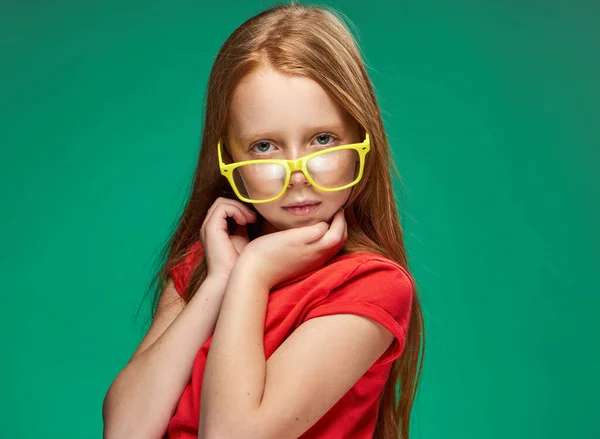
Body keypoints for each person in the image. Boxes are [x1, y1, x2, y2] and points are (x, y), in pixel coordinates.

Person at [102, 3, 425, 439]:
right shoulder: (207, 262)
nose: (297, 173)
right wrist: (218, 281)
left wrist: (252, 272)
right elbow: (124, 430)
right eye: (264, 146)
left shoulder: (371, 286)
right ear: (229, 157)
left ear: (360, 141)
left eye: (322, 139)